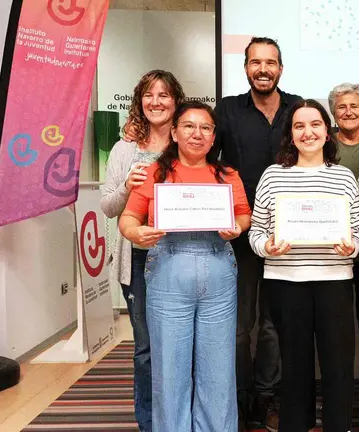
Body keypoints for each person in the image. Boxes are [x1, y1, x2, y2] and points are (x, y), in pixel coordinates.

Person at [119, 101, 252, 431]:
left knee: (218, 366)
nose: (198, 134)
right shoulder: (154, 173)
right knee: (170, 367)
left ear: (213, 137)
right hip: (167, 269)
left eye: (205, 128)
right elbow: (128, 218)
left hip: (218, 270)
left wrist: (237, 226)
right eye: (189, 126)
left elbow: (243, 214)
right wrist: (138, 233)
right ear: (175, 133)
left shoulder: (227, 175)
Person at [249, 99, 359, 432]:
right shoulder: (273, 176)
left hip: (334, 280)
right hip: (286, 281)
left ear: (328, 132)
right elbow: (256, 230)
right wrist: (266, 246)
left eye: (315, 125)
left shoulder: (343, 177)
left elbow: (357, 228)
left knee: (338, 364)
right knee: (295, 365)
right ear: (290, 134)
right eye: (299, 126)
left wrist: (353, 246)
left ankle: (338, 426)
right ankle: (295, 425)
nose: (307, 132)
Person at [216, 37, 303, 432]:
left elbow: (322, 148)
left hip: (290, 237)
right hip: (238, 234)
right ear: (246, 67)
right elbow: (198, 151)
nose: (263, 69)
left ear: (281, 68)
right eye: (255, 62)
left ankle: (266, 400)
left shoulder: (299, 108)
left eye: (270, 62)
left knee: (273, 326)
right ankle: (238, 399)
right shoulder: (228, 109)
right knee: (238, 327)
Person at [100, 69, 185, 432]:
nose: (156, 102)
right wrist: (125, 186)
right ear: (140, 101)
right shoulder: (124, 149)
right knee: (147, 350)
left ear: (176, 101)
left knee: (182, 347)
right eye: (149, 95)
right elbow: (108, 206)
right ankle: (150, 423)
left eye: (164, 95)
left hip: (182, 255)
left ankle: (181, 418)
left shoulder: (189, 143)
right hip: (137, 259)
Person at [326, 82, 359, 393]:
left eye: (355, 106)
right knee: (337, 325)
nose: (348, 112)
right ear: (332, 113)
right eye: (342, 107)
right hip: (331, 248)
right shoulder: (322, 145)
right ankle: (338, 390)